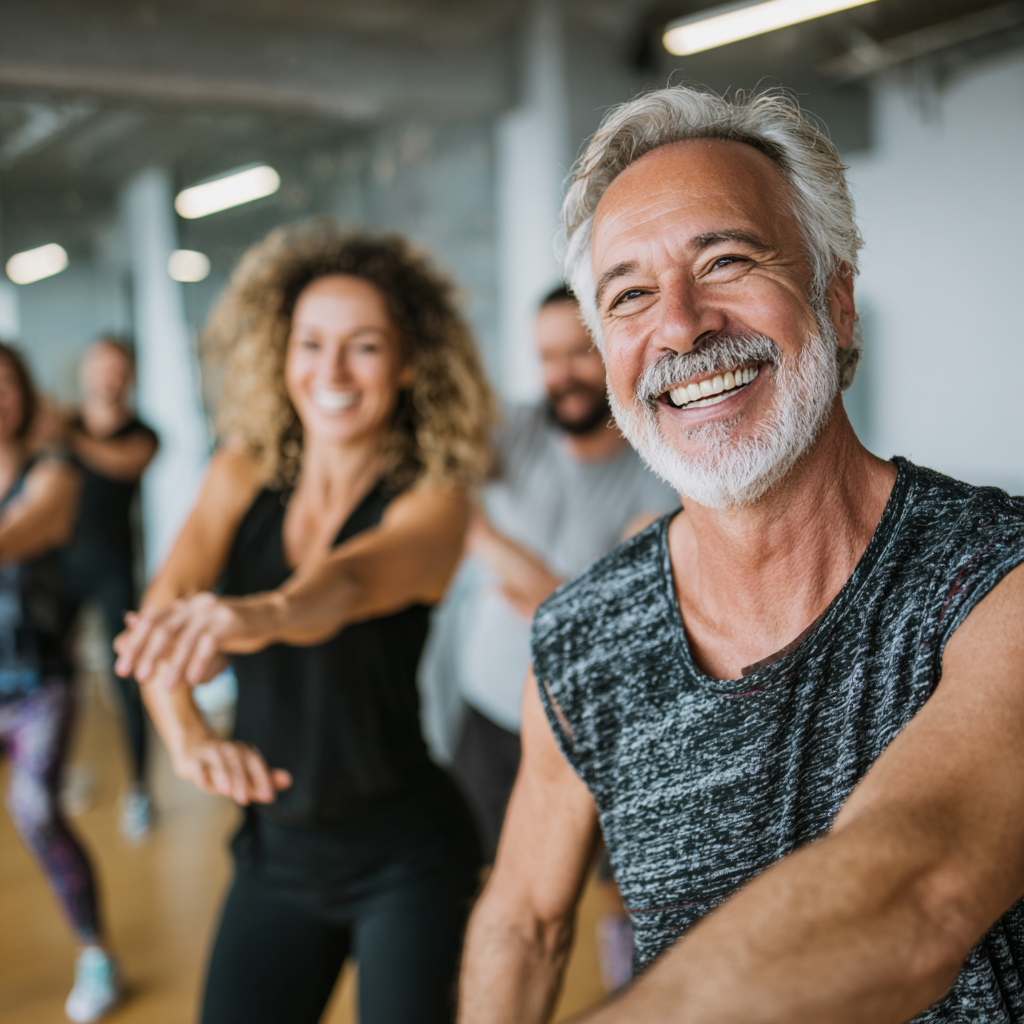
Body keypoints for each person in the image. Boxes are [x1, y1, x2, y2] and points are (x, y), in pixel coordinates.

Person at [458, 87, 1024, 1024]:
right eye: (630, 295)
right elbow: (522, 920)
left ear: (836, 302)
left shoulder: (994, 575)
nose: (680, 325)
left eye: (725, 259)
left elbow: (919, 895)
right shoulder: (582, 635)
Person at [112, 221, 494, 1024]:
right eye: (311, 343)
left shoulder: (434, 498)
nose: (332, 370)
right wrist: (187, 737)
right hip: (274, 852)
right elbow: (159, 614)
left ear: (408, 362)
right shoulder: (241, 470)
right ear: (283, 356)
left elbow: (347, 584)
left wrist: (254, 614)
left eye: (363, 346)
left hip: (405, 856)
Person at [434, 283, 676, 987]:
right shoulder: (510, 430)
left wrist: (525, 580)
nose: (560, 375)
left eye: (578, 353)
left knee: (619, 886)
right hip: (490, 709)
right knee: (485, 875)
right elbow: (446, 500)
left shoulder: (656, 459)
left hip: (597, 721)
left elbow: (611, 604)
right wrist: (525, 566)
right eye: (546, 357)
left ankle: (630, 999)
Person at [0, 342, 120, 1022]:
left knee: (37, 811)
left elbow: (25, 530)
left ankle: (95, 953)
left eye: (5, 382)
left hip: (38, 681)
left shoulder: (54, 474)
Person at [59, 338, 158, 839]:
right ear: (86, 373)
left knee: (128, 681)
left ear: (131, 376)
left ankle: (140, 789)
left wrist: (65, 434)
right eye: (101, 368)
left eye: (119, 369)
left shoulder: (143, 434)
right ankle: (63, 775)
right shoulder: (61, 428)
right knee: (54, 681)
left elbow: (121, 463)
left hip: (114, 570)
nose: (109, 378)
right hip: (59, 569)